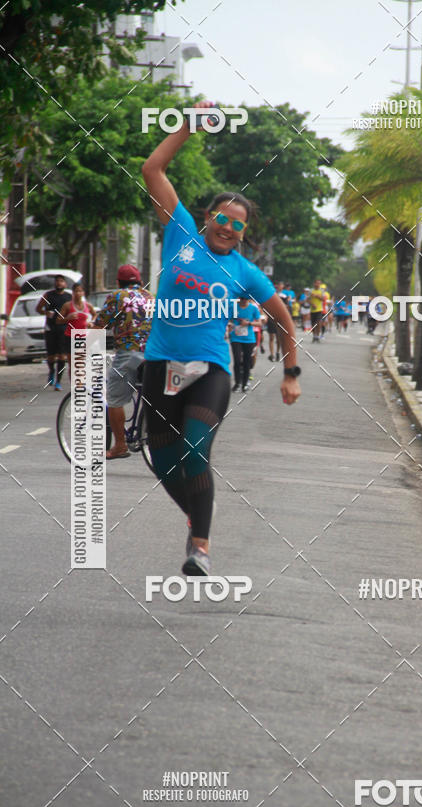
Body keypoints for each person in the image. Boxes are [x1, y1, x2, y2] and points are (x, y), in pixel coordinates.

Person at [141, 101, 300, 576]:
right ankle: (197, 514)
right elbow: (153, 168)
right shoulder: (180, 232)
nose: (228, 228)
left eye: (238, 224)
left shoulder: (243, 271)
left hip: (211, 367)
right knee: (166, 463)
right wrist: (190, 123)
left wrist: (291, 373)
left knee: (195, 449)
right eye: (222, 218)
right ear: (207, 217)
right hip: (160, 363)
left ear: (244, 234)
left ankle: (201, 547)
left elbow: (285, 321)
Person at [93, 264, 153, 460]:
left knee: (114, 398)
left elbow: (99, 325)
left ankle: (120, 445)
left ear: (119, 282)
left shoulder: (117, 296)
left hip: (129, 353)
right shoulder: (150, 296)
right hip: (154, 353)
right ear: (140, 282)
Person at [35, 273, 69, 390]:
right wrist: (46, 313)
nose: (59, 283)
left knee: (62, 356)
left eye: (61, 281)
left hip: (63, 328)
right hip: (51, 328)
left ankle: (58, 382)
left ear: (65, 283)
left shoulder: (69, 297)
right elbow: (38, 308)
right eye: (57, 281)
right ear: (55, 283)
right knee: (51, 356)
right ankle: (51, 371)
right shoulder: (48, 295)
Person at [59, 282, 94, 378]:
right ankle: (74, 386)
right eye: (76, 291)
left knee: (80, 363)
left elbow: (95, 315)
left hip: (83, 337)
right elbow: (58, 320)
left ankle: (80, 386)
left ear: (83, 293)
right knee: (72, 364)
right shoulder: (67, 305)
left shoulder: (88, 305)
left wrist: (91, 322)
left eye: (80, 291)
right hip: (70, 336)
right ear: (73, 293)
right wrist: (68, 318)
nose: (78, 293)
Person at [229, 296, 260, 392]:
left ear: (249, 299)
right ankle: (237, 383)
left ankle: (245, 383)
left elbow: (259, 323)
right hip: (235, 337)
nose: (244, 301)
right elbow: (228, 319)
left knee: (247, 361)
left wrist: (249, 323)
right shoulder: (233, 307)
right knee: (237, 360)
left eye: (246, 299)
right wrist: (230, 325)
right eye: (242, 298)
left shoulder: (253, 308)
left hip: (249, 339)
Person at [309, 277, 325, 341]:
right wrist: (312, 304)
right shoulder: (311, 291)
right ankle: (314, 336)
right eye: (317, 283)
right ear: (314, 284)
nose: (318, 284)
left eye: (319, 283)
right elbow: (307, 299)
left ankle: (318, 336)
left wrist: (317, 296)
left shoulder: (321, 291)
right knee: (313, 324)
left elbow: (323, 299)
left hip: (319, 309)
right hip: (312, 310)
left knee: (318, 323)